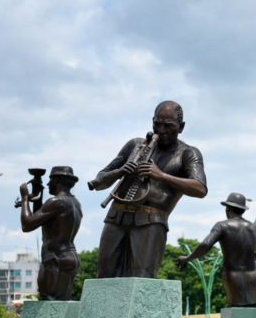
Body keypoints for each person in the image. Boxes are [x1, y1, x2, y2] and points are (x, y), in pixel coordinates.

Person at [88, 101, 207, 278]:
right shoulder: (135, 145)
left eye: (169, 126)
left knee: (143, 279)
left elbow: (200, 188)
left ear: (181, 127)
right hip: (116, 217)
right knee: (104, 276)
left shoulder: (188, 153)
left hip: (151, 221)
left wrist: (161, 176)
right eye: (157, 124)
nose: (161, 131)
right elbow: (99, 181)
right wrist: (120, 171)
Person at [177, 193, 256, 306]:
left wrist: (188, 258)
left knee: (235, 309)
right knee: (252, 308)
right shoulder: (254, 228)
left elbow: (206, 244)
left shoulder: (222, 226)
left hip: (233, 275)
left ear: (228, 208)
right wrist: (251, 255)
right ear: (243, 210)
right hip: (252, 276)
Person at [19, 166, 84, 301]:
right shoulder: (75, 203)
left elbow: (27, 224)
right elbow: (41, 218)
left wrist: (25, 198)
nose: (48, 184)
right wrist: (39, 195)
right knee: (60, 304)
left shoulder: (56, 202)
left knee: (49, 302)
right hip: (69, 257)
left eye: (50, 180)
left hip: (55, 259)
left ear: (57, 181)